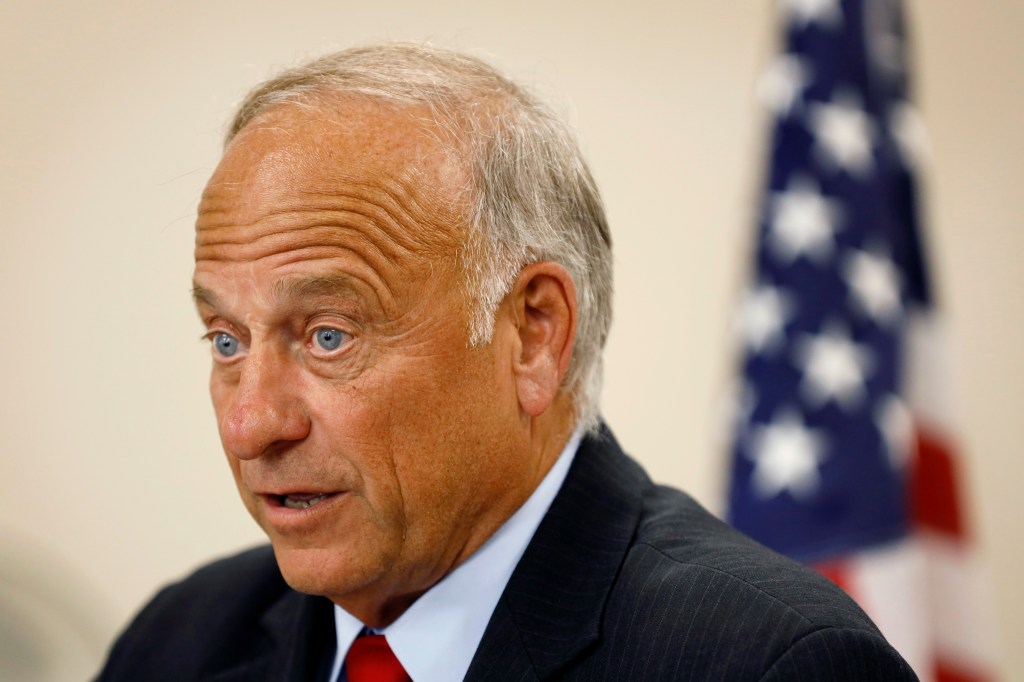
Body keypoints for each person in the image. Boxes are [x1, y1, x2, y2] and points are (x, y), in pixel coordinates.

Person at [96, 43, 916, 681]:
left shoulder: (773, 665)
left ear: (533, 335)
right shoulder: (180, 642)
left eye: (328, 336)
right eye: (227, 341)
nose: (250, 425)